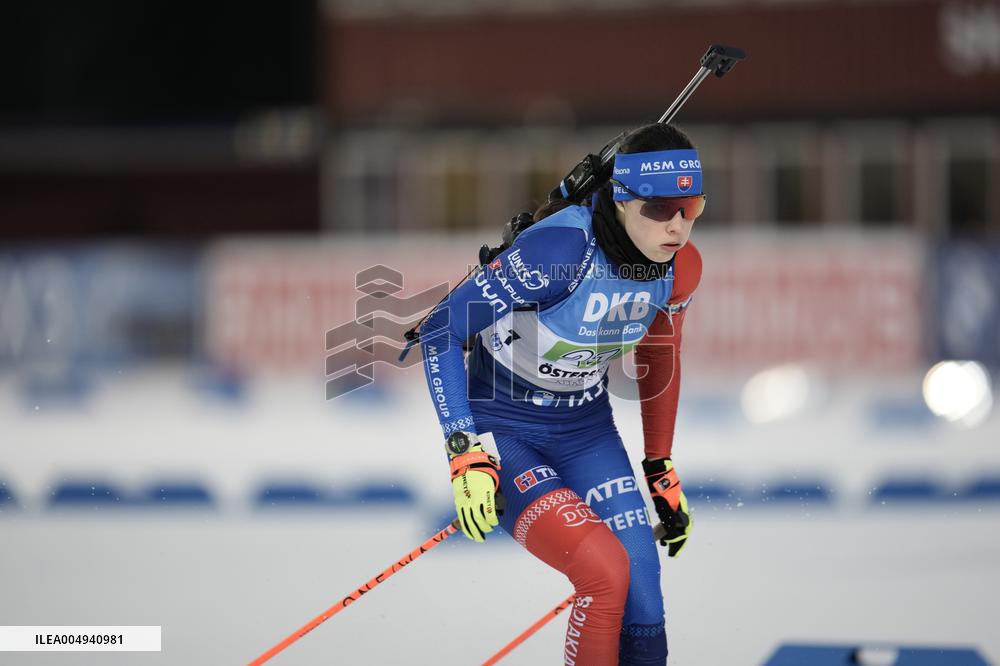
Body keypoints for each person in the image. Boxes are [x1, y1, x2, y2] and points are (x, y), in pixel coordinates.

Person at [418, 122, 704, 665]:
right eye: (659, 210)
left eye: (691, 208)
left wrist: (659, 463)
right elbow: (440, 329)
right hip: (506, 430)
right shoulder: (559, 251)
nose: (678, 229)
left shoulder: (680, 269)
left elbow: (660, 355)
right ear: (621, 201)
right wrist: (464, 453)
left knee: (644, 598)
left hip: (585, 432)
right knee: (605, 574)